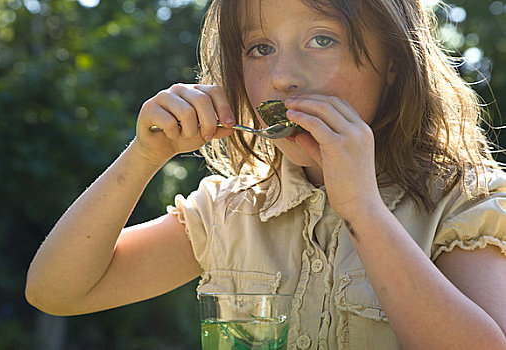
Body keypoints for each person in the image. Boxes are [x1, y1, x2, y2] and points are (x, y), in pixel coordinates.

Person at [25, 0, 506, 348]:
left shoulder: (462, 202)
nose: (283, 76)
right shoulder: (231, 210)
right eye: (259, 48)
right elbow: (57, 291)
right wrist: (144, 156)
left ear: (396, 64)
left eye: (322, 39)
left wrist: (362, 208)